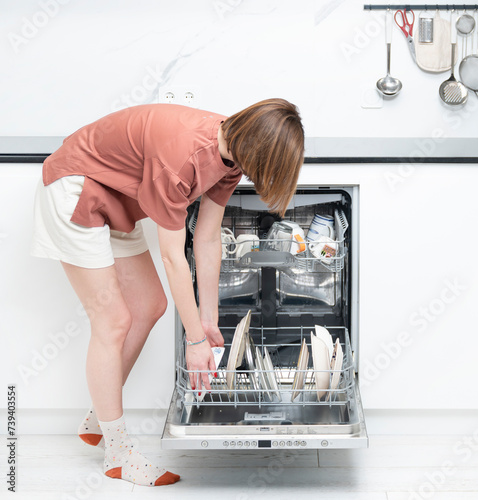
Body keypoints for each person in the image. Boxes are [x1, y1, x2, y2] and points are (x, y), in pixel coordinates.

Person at [30, 98, 305, 487]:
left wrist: (207, 319)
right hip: (76, 190)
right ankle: (118, 454)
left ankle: (99, 418)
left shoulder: (231, 156)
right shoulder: (183, 155)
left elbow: (207, 239)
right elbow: (173, 257)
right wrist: (194, 340)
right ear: (257, 150)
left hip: (117, 199)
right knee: (113, 321)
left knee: (150, 306)